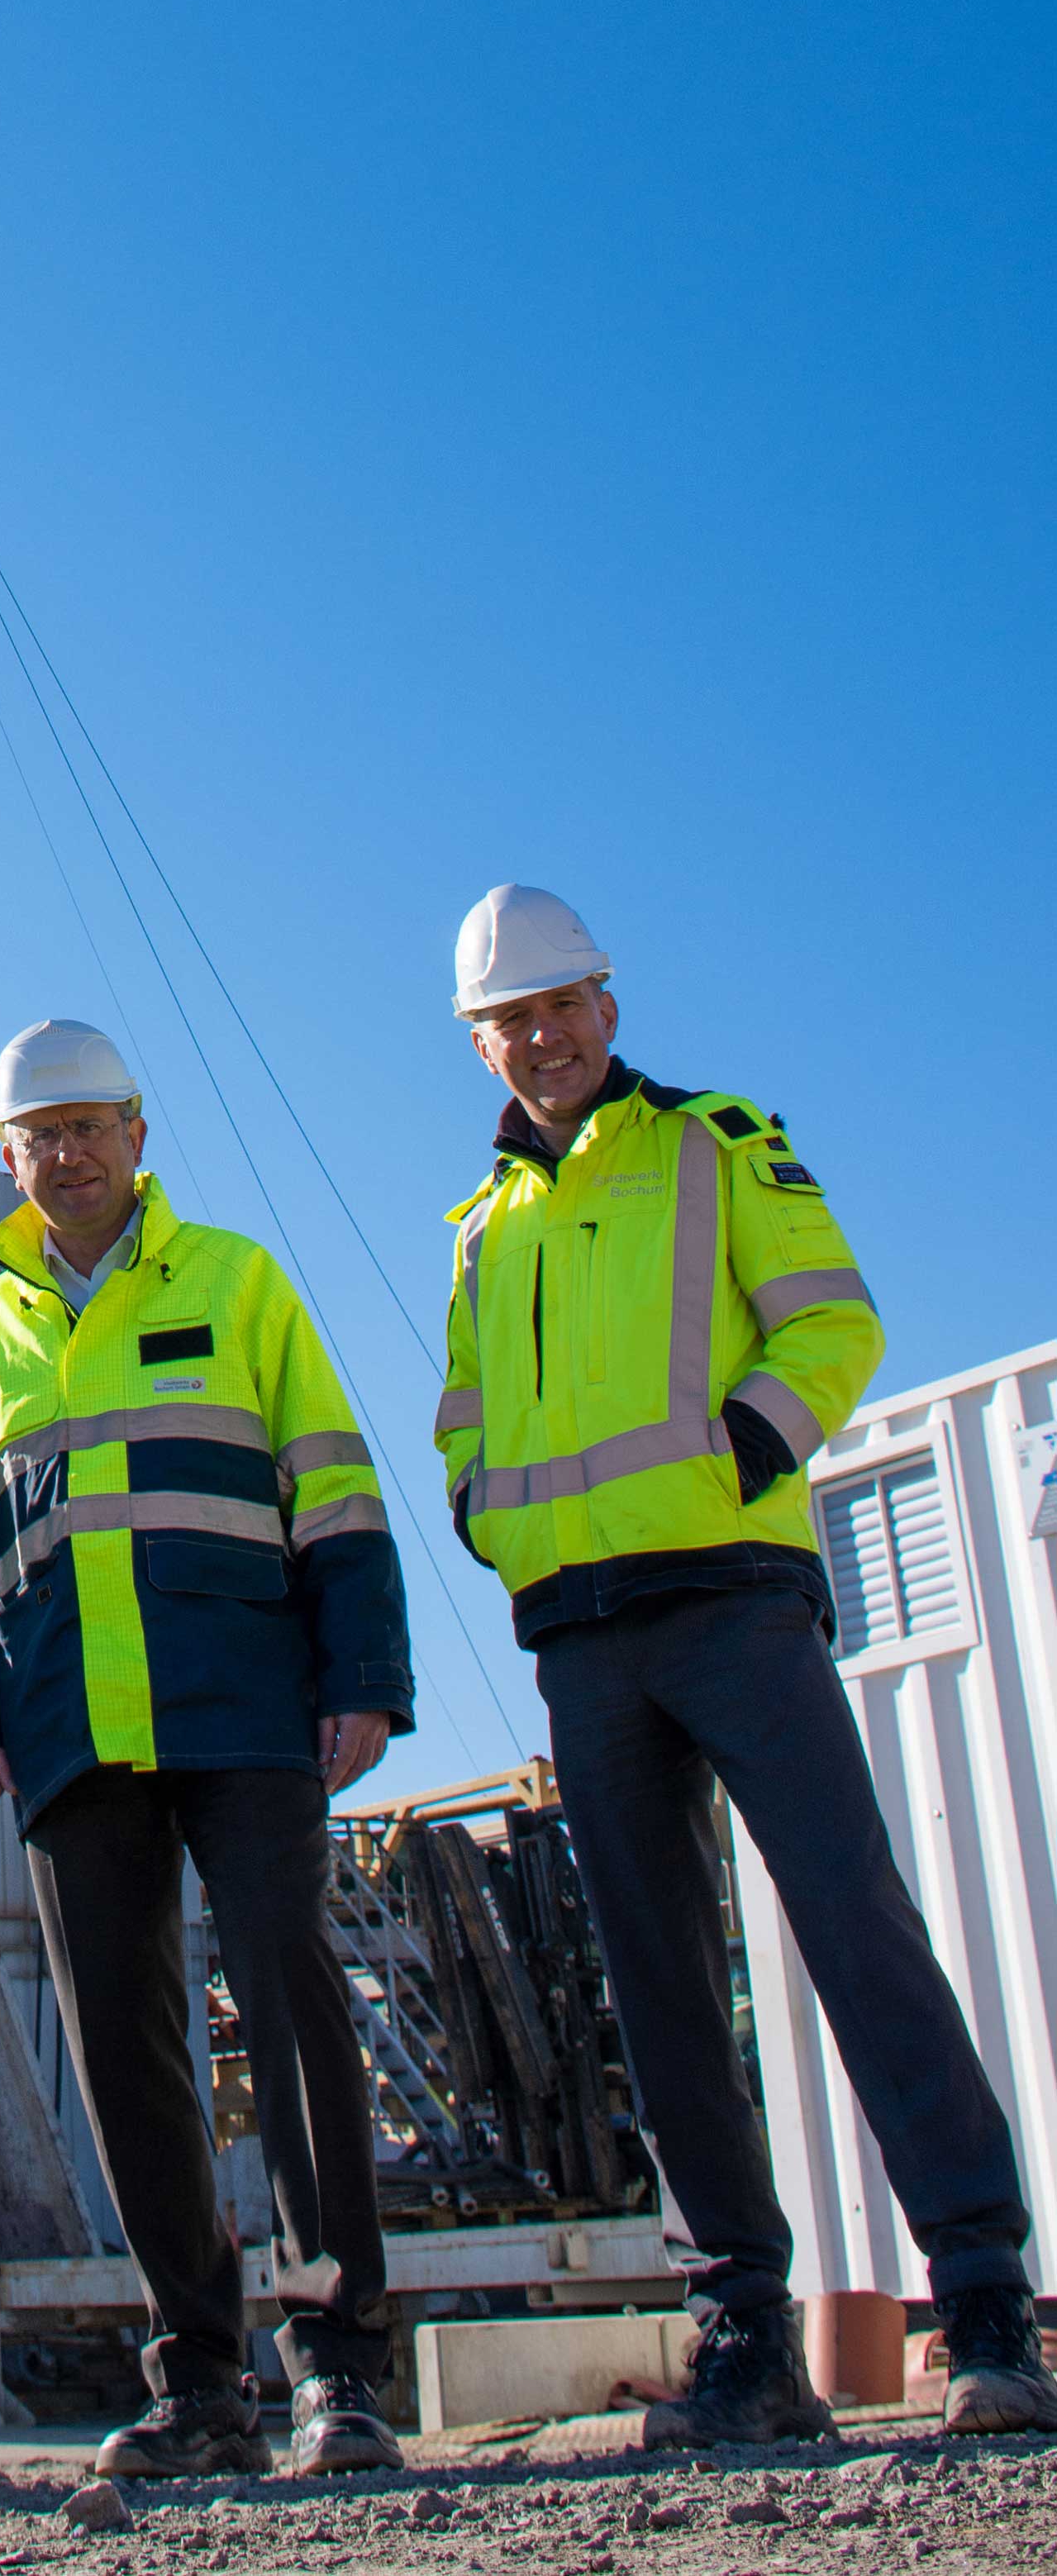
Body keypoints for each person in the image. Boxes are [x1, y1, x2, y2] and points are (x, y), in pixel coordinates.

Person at [439, 884, 1057, 2445]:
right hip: (578, 1634)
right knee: (653, 1981)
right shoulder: (479, 1230)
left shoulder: (717, 1141)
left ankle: (982, 2290)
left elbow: (832, 1322)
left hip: (731, 1601)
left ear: (608, 1005)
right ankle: (740, 2328)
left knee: (853, 1921)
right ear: (478, 1045)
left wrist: (734, 1454)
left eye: (561, 1003)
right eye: (510, 1019)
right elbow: (460, 1420)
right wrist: (493, 1529)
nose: (541, 1035)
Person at [0, 1021, 415, 2483]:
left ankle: (337, 2364)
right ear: (5, 1157)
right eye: (37, 1134)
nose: (64, 1154)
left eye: (88, 1125)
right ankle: (197, 2378)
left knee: (294, 2011)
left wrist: (363, 1677)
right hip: (69, 1733)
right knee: (123, 2052)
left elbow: (332, 1488)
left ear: (137, 1131)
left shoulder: (237, 1282)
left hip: (244, 1712)